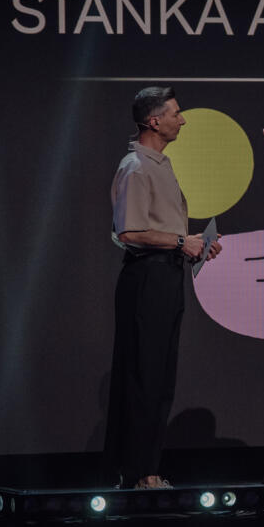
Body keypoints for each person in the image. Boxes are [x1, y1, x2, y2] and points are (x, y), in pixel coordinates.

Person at [105, 86, 221, 489]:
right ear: (154, 121)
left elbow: (160, 228)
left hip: (166, 275)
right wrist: (180, 241)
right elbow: (129, 231)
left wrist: (194, 244)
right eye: (175, 113)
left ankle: (146, 469)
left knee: (160, 376)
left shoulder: (159, 164)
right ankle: (139, 473)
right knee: (145, 375)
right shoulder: (136, 166)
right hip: (147, 279)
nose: (182, 119)